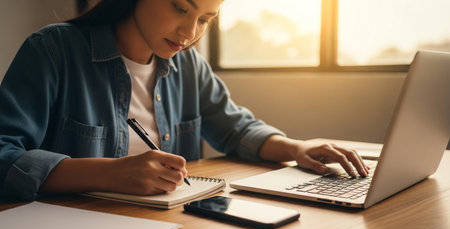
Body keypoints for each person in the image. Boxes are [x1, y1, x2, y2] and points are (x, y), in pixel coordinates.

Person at [0, 0, 369, 201]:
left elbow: (235, 126)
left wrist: (297, 147)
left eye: (206, 19)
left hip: (170, 223)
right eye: (181, 8)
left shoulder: (187, 62)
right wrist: (108, 173)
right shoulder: (53, 49)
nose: (190, 33)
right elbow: (3, 152)